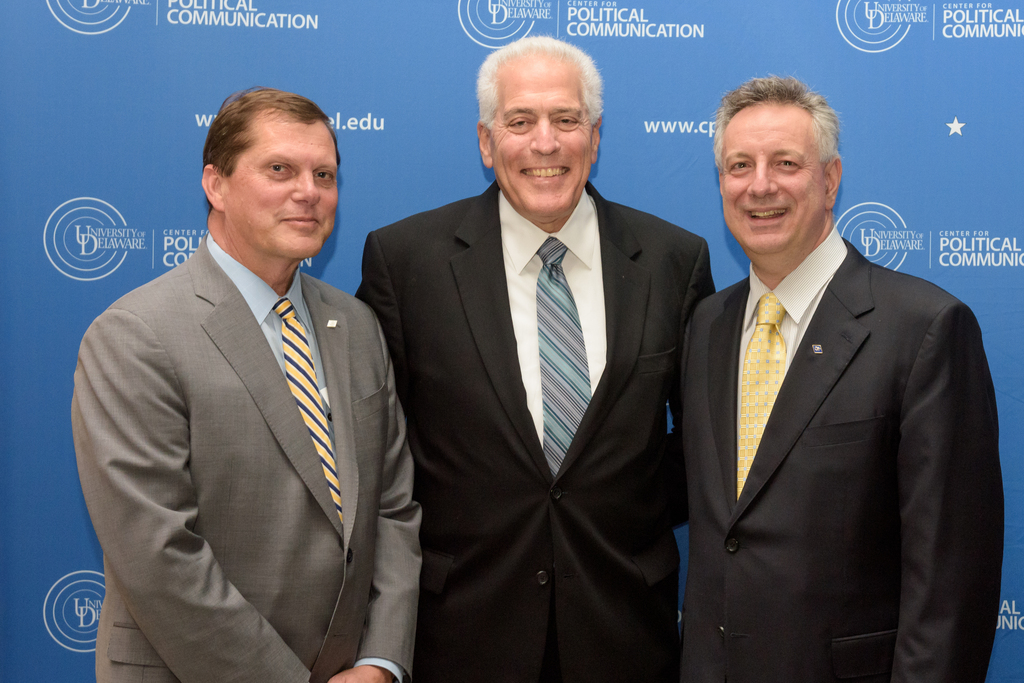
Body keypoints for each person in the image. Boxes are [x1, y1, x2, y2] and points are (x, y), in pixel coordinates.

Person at [356, 36, 714, 683]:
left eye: (566, 120)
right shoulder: (406, 262)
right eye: (520, 121)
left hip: (627, 630)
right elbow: (378, 450)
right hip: (460, 635)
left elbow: (702, 444)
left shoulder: (673, 261)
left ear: (596, 136)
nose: (545, 143)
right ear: (487, 142)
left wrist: (616, 507)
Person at [72, 88, 420, 683]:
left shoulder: (357, 326)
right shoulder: (135, 335)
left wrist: (380, 663)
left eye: (324, 173)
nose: (308, 191)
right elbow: (158, 556)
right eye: (279, 169)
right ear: (216, 184)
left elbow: (392, 509)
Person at [678, 75, 1003, 683]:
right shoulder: (708, 325)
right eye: (739, 165)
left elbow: (952, 582)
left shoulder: (925, 328)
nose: (760, 185)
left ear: (830, 180)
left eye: (786, 163)